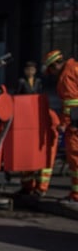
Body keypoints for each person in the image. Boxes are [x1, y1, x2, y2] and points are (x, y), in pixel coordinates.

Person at [43, 49, 78, 203]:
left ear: (55, 64)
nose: (52, 73)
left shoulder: (67, 75)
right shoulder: (74, 68)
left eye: (51, 69)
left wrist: (67, 124)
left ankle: (77, 195)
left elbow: (72, 103)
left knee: (75, 159)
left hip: (75, 126)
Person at [15, 61, 52, 195]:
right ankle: (27, 185)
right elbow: (17, 97)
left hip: (35, 116)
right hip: (25, 115)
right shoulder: (21, 82)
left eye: (32, 69)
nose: (30, 72)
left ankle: (36, 185)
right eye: (28, 69)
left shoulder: (38, 82)